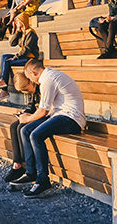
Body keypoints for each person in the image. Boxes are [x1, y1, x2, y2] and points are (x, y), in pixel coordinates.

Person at [9, 58, 87, 199]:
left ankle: (43, 180)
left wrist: (27, 118)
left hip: (71, 118)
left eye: (30, 78)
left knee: (35, 135)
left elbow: (43, 111)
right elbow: (43, 111)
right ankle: (31, 172)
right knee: (24, 130)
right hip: (58, 114)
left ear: (33, 72)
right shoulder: (49, 76)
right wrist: (28, 117)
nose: (34, 82)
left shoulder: (48, 79)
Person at [0, 25, 41, 95]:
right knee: (4, 56)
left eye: (17, 22)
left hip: (31, 58)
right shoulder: (22, 32)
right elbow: (12, 43)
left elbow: (26, 50)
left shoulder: (31, 33)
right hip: (23, 57)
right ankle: (2, 81)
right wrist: (17, 32)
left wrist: (16, 57)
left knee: (7, 61)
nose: (16, 24)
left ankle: (4, 90)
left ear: (23, 22)